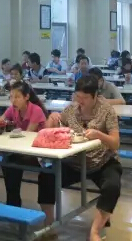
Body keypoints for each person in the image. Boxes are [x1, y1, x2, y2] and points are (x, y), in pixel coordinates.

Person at [41, 76, 122, 241]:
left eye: (85, 98)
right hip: (74, 162)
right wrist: (52, 119)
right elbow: (49, 131)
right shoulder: (71, 109)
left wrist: (99, 135)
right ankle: (49, 224)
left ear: (95, 96)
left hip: (103, 162)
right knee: (46, 178)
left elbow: (115, 143)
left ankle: (95, 231)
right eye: (78, 96)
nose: (80, 101)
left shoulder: (107, 111)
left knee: (112, 186)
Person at [0, 81, 48, 208]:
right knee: (8, 161)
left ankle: (13, 203)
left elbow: (27, 136)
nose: (13, 100)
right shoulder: (13, 109)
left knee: (10, 161)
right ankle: (13, 202)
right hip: (21, 150)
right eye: (11, 97)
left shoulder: (36, 110)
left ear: (26, 97)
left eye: (17, 97)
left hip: (40, 153)